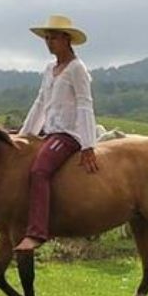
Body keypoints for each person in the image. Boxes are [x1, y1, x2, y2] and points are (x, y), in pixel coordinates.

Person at [15, 14, 99, 252]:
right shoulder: (49, 69)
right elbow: (40, 103)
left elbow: (85, 104)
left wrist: (88, 144)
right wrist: (24, 135)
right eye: (47, 38)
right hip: (48, 133)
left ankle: (37, 232)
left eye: (53, 38)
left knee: (40, 171)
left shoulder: (77, 69)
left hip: (68, 135)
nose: (49, 42)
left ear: (66, 39)